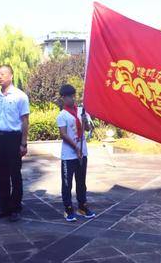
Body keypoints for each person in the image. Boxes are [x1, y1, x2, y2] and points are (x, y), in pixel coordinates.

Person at [0, 64, 30, 222]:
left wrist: (23, 143)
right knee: (1, 175)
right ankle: (3, 207)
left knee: (15, 174)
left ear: (11, 76)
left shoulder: (20, 96)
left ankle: (16, 208)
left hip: (14, 138)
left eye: (3, 74)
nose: (0, 77)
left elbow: (25, 120)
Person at [56, 84, 96, 222]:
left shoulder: (82, 111)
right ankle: (68, 208)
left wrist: (86, 122)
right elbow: (63, 134)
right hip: (69, 154)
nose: (72, 99)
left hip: (82, 153)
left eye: (73, 95)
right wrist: (75, 147)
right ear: (63, 98)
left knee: (81, 181)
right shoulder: (62, 115)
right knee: (67, 183)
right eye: (68, 97)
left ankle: (82, 206)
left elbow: (89, 129)